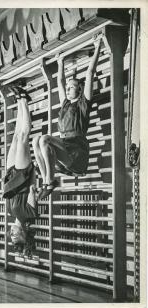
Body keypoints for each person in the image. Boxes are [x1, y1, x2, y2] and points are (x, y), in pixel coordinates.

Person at [32, 38, 102, 200]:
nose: (68, 88)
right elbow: (60, 81)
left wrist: (97, 47)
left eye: (72, 87)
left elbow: (90, 73)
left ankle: (50, 181)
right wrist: (60, 61)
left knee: (44, 139)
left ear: (80, 89)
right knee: (37, 140)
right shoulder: (64, 103)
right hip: (65, 148)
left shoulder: (84, 103)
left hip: (77, 152)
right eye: (68, 87)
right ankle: (46, 181)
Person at [2, 85, 37, 256]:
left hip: (11, 177)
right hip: (23, 177)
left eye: (11, 236)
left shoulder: (11, 213)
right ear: (23, 233)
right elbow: (32, 189)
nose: (12, 234)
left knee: (16, 137)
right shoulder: (30, 215)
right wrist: (31, 171)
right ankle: (24, 100)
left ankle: (19, 101)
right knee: (24, 138)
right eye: (16, 236)